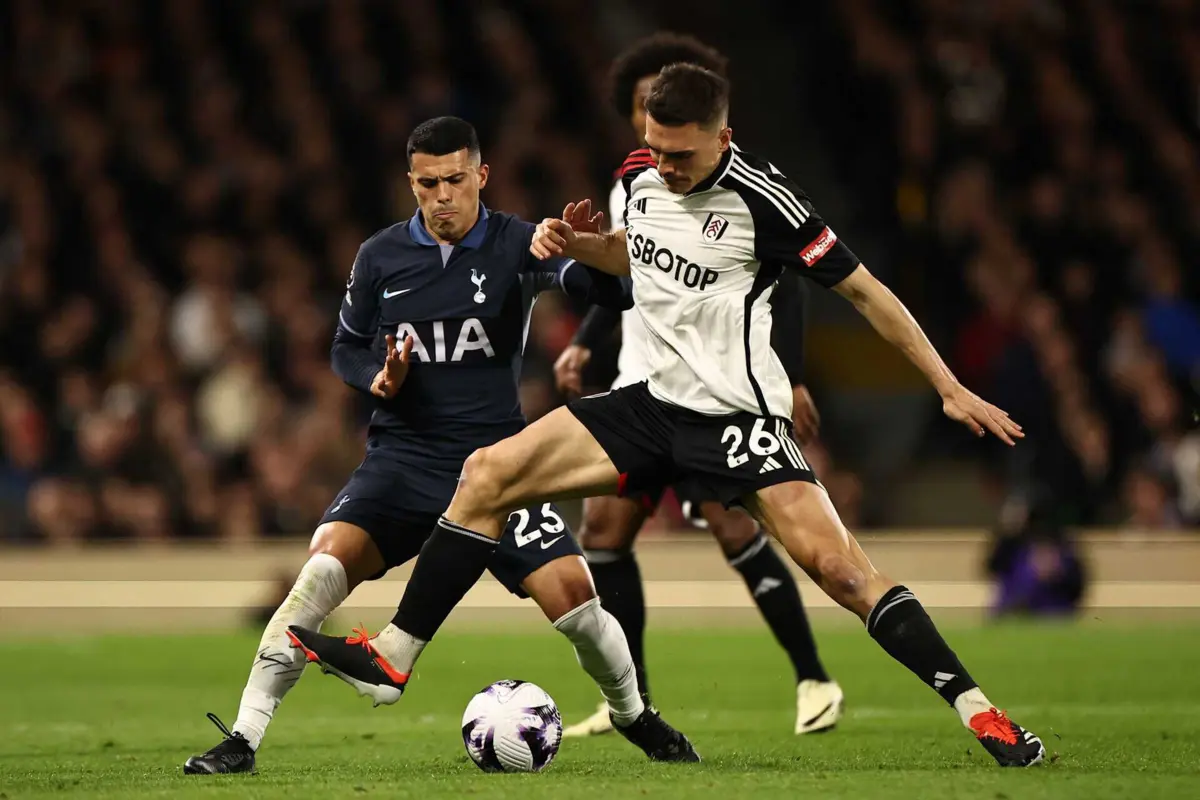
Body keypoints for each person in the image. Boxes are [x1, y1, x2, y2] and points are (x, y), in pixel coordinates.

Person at [289, 67, 1045, 768]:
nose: (664, 165)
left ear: (723, 136)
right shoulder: (637, 174)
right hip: (652, 404)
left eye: (680, 154)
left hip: (736, 419)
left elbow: (866, 292)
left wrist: (948, 386)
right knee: (486, 473)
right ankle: (394, 655)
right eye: (654, 147)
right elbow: (634, 256)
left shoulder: (767, 203)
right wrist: (580, 244)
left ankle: (980, 710)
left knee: (843, 572)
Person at [184, 116, 698, 775]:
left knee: (576, 600)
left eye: (455, 179)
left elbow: (618, 292)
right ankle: (243, 738)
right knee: (318, 573)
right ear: (412, 184)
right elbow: (345, 346)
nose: (443, 196)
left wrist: (588, 250)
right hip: (403, 462)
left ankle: (633, 714)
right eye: (428, 184)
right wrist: (378, 377)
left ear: (481, 175)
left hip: (499, 469)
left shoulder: (520, 242)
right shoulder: (380, 256)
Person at [553, 33, 840, 739]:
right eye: (642, 103)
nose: (651, 114)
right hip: (641, 383)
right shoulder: (633, 183)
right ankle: (632, 700)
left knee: (733, 525)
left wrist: (793, 373)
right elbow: (629, 270)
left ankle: (813, 677)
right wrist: (586, 340)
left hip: (712, 393)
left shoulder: (743, 195)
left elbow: (789, 283)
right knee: (604, 530)